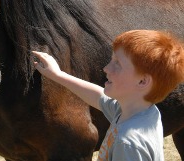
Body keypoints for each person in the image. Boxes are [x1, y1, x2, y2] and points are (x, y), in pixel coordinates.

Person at [32, 30, 184, 161]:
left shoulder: (128, 143)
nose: (106, 68)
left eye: (117, 64)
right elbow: (97, 96)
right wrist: (58, 75)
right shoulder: (142, 111)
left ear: (142, 81)